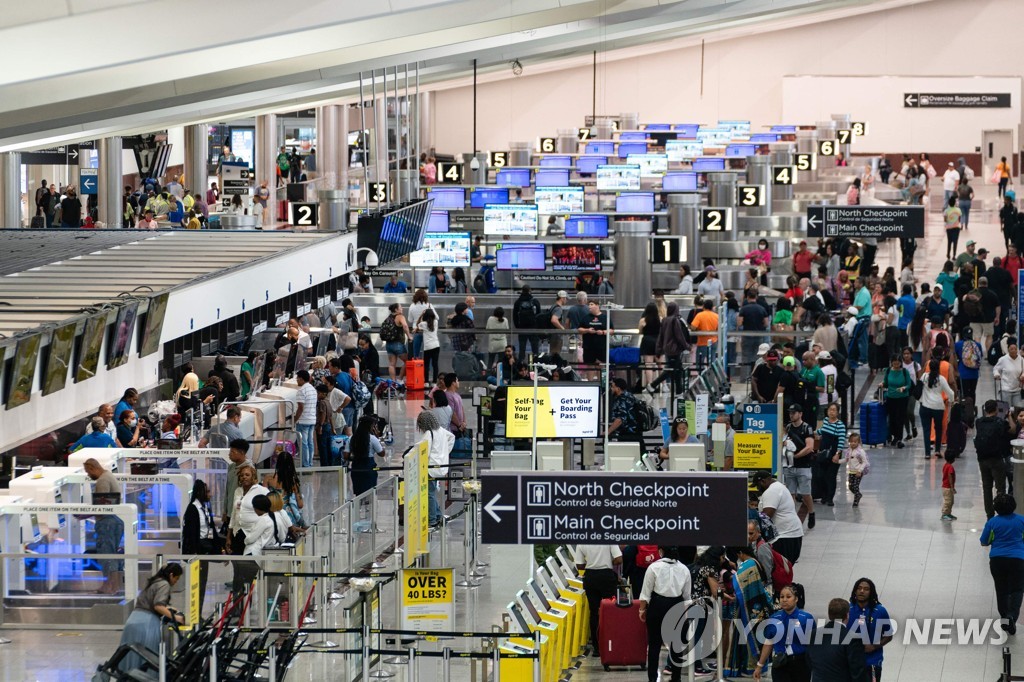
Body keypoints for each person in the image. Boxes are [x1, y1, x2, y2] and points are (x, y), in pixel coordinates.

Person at [637, 546, 692, 682]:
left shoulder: (653, 567)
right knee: (676, 646)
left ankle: (652, 678)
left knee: (654, 644)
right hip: (677, 606)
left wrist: (642, 610)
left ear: (661, 551)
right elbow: (687, 596)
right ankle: (676, 677)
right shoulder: (684, 569)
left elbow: (646, 593)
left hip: (657, 606)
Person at [116, 563, 184, 672]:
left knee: (129, 657)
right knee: (148, 660)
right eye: (176, 578)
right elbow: (158, 606)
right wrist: (176, 618)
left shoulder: (155, 581)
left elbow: (151, 601)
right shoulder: (164, 584)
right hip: (146, 624)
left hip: (133, 620)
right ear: (171, 575)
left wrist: (169, 608)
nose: (176, 582)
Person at [980, 493, 1024, 635]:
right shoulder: (1021, 521)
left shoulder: (992, 522)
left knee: (1001, 590)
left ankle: (1005, 619)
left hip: (997, 560)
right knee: (1017, 589)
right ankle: (1012, 616)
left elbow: (984, 541)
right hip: (1018, 559)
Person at [753, 584, 813, 682]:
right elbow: (768, 643)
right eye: (782, 597)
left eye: (788, 597)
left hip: (801, 663)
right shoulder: (774, 618)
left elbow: (813, 643)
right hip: (780, 663)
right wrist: (760, 665)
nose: (784, 600)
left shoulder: (806, 618)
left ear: (796, 599)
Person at [181, 480, 221, 615]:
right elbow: (190, 534)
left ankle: (198, 613)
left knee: (202, 583)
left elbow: (211, 530)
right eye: (207, 491)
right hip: (196, 553)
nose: (210, 494)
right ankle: (194, 614)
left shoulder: (205, 507)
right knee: (196, 585)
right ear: (200, 492)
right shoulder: (192, 509)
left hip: (204, 550)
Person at [83, 458, 123, 595]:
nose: (88, 475)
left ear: (93, 468)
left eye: (88, 471)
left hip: (107, 522)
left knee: (107, 556)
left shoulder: (102, 481)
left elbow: (102, 506)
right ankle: (115, 586)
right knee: (113, 554)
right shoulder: (109, 475)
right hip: (115, 520)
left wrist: (83, 515)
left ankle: (108, 586)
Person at [807, 598, 871, 682]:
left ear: (829, 615)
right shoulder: (853, 638)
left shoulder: (812, 634)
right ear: (847, 615)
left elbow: (808, 663)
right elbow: (858, 672)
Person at [575, 544, 622, 650]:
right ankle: (611, 644)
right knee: (611, 611)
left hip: (591, 578)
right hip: (607, 578)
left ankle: (597, 647)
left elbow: (579, 565)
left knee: (594, 612)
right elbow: (619, 559)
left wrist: (591, 564)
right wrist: (609, 562)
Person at [752, 470, 804, 564]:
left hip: (785, 536)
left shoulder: (772, 491)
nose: (758, 489)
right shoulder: (778, 487)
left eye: (758, 485)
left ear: (763, 481)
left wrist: (752, 518)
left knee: (780, 570)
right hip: (791, 533)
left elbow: (766, 516)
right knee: (784, 569)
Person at [847, 577, 894, 680]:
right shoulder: (847, 610)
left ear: (871, 592)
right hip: (850, 662)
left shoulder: (880, 610)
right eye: (859, 588)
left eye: (866, 589)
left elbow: (889, 635)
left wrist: (874, 647)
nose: (862, 591)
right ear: (855, 591)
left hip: (872, 662)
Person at [974, 399, 1014, 518]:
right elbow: (1012, 429)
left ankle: (989, 515)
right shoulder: (999, 422)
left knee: (987, 488)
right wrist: (1009, 417)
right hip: (996, 459)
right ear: (996, 409)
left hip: (982, 459)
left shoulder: (979, 422)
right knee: (1000, 487)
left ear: (985, 410)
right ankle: (1001, 512)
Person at [416, 410, 454, 527]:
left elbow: (423, 450)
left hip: (431, 468)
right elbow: (452, 437)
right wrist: (445, 452)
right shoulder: (442, 431)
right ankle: (437, 515)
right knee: (431, 492)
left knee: (429, 493)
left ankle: (432, 519)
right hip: (441, 467)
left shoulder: (428, 433)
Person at [225, 462, 269, 556]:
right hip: (237, 533)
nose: (244, 477)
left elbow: (270, 508)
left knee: (250, 564)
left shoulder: (261, 490)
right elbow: (234, 513)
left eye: (247, 475)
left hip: (253, 533)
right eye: (241, 475)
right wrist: (229, 536)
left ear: (253, 476)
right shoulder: (238, 491)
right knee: (237, 563)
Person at [783, 403, 816, 529]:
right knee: (790, 493)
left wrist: (796, 456)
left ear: (800, 414)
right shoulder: (788, 427)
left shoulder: (807, 428)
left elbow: (809, 447)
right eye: (790, 413)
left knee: (805, 493)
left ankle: (811, 512)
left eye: (794, 413)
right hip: (790, 466)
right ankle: (792, 518)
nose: (791, 415)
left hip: (803, 466)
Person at [647, 302, 688, 394]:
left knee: (676, 369)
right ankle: (653, 385)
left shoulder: (665, 320)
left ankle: (679, 391)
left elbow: (661, 336)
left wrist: (658, 349)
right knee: (671, 369)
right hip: (675, 349)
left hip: (667, 349)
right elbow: (679, 335)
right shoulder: (675, 320)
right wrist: (686, 346)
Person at [918, 358, 955, 459]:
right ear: (938, 368)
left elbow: (918, 388)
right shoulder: (941, 379)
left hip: (924, 406)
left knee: (926, 430)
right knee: (938, 429)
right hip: (938, 407)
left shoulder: (924, 376)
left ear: (929, 367)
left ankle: (927, 453)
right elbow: (950, 392)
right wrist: (951, 401)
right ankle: (937, 450)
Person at [815, 402, 847, 506]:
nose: (831, 412)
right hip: (823, 452)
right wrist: (814, 432)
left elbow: (841, 441)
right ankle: (823, 496)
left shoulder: (840, 425)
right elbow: (822, 431)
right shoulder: (825, 421)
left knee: (831, 476)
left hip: (834, 452)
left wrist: (837, 454)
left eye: (834, 410)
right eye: (830, 409)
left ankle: (830, 498)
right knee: (820, 475)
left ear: (837, 412)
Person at [346, 415, 384, 496]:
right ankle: (369, 507)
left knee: (358, 491)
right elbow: (382, 453)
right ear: (370, 426)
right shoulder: (373, 439)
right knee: (370, 490)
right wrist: (377, 438)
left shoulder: (351, 438)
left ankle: (358, 507)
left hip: (356, 467)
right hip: (369, 466)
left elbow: (346, 455)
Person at [880, 354, 911, 448]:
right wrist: (882, 384)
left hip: (902, 398)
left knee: (900, 418)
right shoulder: (889, 371)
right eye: (894, 362)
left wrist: (904, 388)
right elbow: (885, 382)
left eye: (898, 362)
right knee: (892, 418)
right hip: (891, 398)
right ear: (892, 362)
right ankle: (893, 436)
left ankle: (899, 438)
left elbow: (909, 384)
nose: (896, 364)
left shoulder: (905, 372)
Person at [607, 378, 643, 449]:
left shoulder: (622, 400)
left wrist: (608, 432)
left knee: (629, 455)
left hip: (628, 434)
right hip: (636, 432)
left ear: (618, 389)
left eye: (613, 387)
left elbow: (620, 419)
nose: (611, 389)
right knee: (640, 454)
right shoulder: (629, 395)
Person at [293, 370, 317, 467]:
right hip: (312, 419)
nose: (296, 380)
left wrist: (295, 420)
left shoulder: (301, 391)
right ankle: (310, 463)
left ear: (302, 379)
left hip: (303, 420)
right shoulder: (313, 389)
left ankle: (305, 465)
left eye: (297, 378)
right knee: (310, 442)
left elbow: (300, 407)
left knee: (303, 444)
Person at [512, 285, 542, 363]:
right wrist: (537, 326)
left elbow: (515, 316)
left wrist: (517, 326)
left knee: (522, 349)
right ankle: (533, 365)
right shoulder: (535, 301)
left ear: (522, 291)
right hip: (533, 329)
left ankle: (521, 365)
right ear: (530, 291)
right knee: (535, 350)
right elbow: (539, 315)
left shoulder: (518, 302)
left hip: (522, 329)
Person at [994, 341, 1024, 407]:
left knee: (1017, 409)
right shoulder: (1003, 359)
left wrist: (1022, 376)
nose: (1013, 350)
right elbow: (996, 368)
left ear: (1017, 350)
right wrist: (997, 374)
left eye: (1015, 349)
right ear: (1008, 350)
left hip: (1017, 389)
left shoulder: (1021, 360)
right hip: (1005, 389)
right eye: (1011, 349)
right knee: (1006, 410)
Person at [844, 432, 869, 507]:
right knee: (850, 487)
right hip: (851, 472)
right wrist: (838, 461)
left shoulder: (860, 451)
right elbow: (846, 459)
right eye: (851, 442)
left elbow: (865, 462)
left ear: (858, 442)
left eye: (855, 442)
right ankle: (858, 495)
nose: (853, 443)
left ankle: (856, 500)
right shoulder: (849, 450)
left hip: (858, 472)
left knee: (855, 486)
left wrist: (860, 470)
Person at [943, 195, 962, 261]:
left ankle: (948, 254)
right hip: (956, 228)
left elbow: (945, 220)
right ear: (955, 203)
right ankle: (954, 255)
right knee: (955, 242)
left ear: (948, 203)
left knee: (949, 241)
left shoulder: (946, 211)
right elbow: (959, 219)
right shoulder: (958, 210)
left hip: (949, 228)